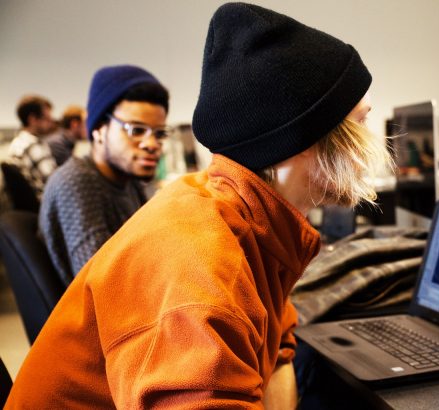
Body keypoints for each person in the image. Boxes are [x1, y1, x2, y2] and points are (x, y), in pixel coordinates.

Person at [6, 3, 390, 408]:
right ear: (301, 136)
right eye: (360, 121)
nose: (373, 141)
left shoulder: (253, 222)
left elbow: (277, 350)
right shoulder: (199, 266)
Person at [38, 65, 170, 285]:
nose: (152, 144)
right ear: (99, 128)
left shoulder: (129, 181)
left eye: (159, 133)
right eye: (136, 130)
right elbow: (104, 287)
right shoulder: (76, 182)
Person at [8, 94, 58, 198]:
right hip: (47, 205)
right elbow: (55, 182)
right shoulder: (34, 145)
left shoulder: (17, 143)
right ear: (33, 119)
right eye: (47, 118)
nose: (50, 122)